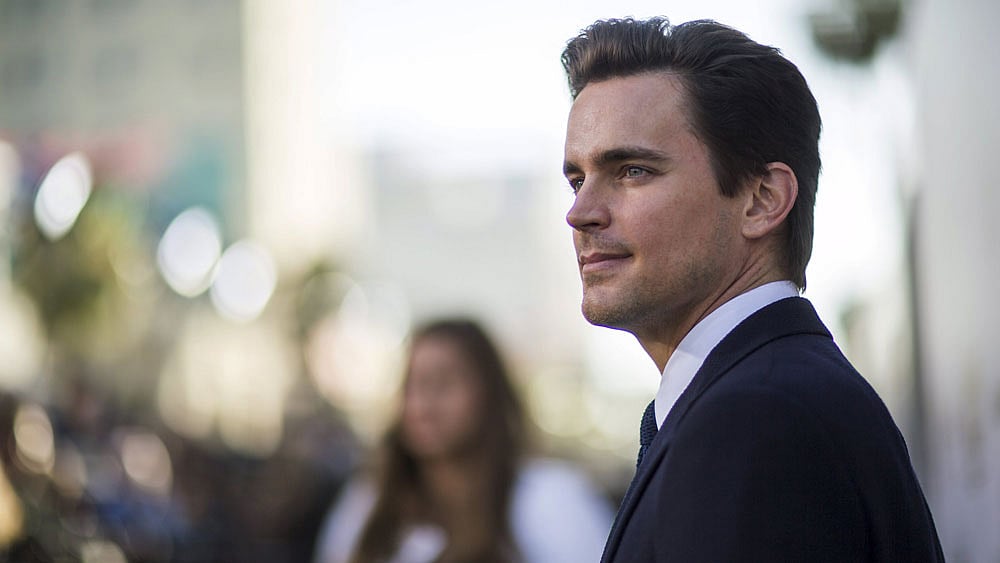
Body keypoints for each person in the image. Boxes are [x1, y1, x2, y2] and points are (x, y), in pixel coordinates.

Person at [560, 17, 944, 562]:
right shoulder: (765, 395)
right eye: (577, 180)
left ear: (762, 200)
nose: (580, 213)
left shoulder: (757, 419)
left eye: (633, 170)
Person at [313, 318, 612, 563]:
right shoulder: (369, 503)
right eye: (412, 386)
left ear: (489, 394)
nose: (421, 406)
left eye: (443, 384)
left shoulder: (550, 499)